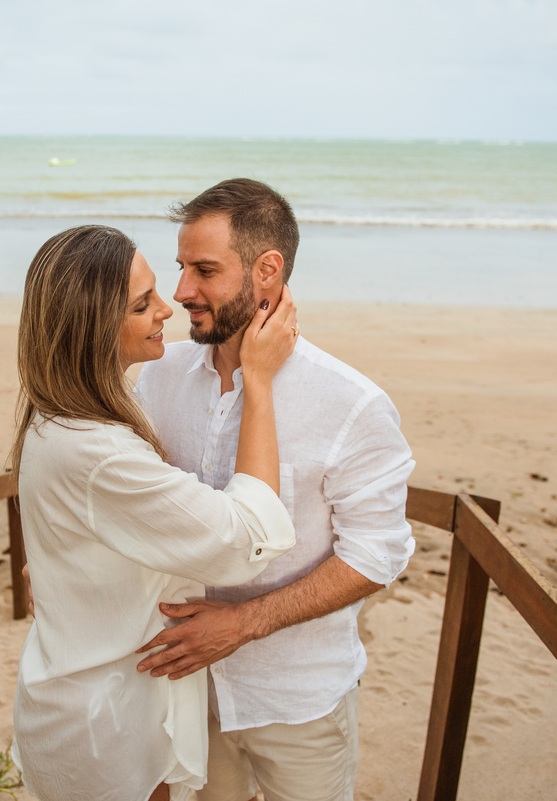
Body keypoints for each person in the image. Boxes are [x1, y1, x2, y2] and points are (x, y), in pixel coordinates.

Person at [132, 179, 416, 801]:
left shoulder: (351, 403)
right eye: (181, 267)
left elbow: (377, 555)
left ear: (267, 270)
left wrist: (244, 623)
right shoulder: (157, 380)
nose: (182, 292)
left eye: (205, 270)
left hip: (299, 698)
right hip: (185, 692)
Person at [9, 224, 301, 801]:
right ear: (94, 328)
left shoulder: (62, 417)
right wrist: (259, 382)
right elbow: (244, 540)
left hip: (86, 695)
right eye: (143, 304)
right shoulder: (97, 450)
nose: (169, 306)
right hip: (107, 720)